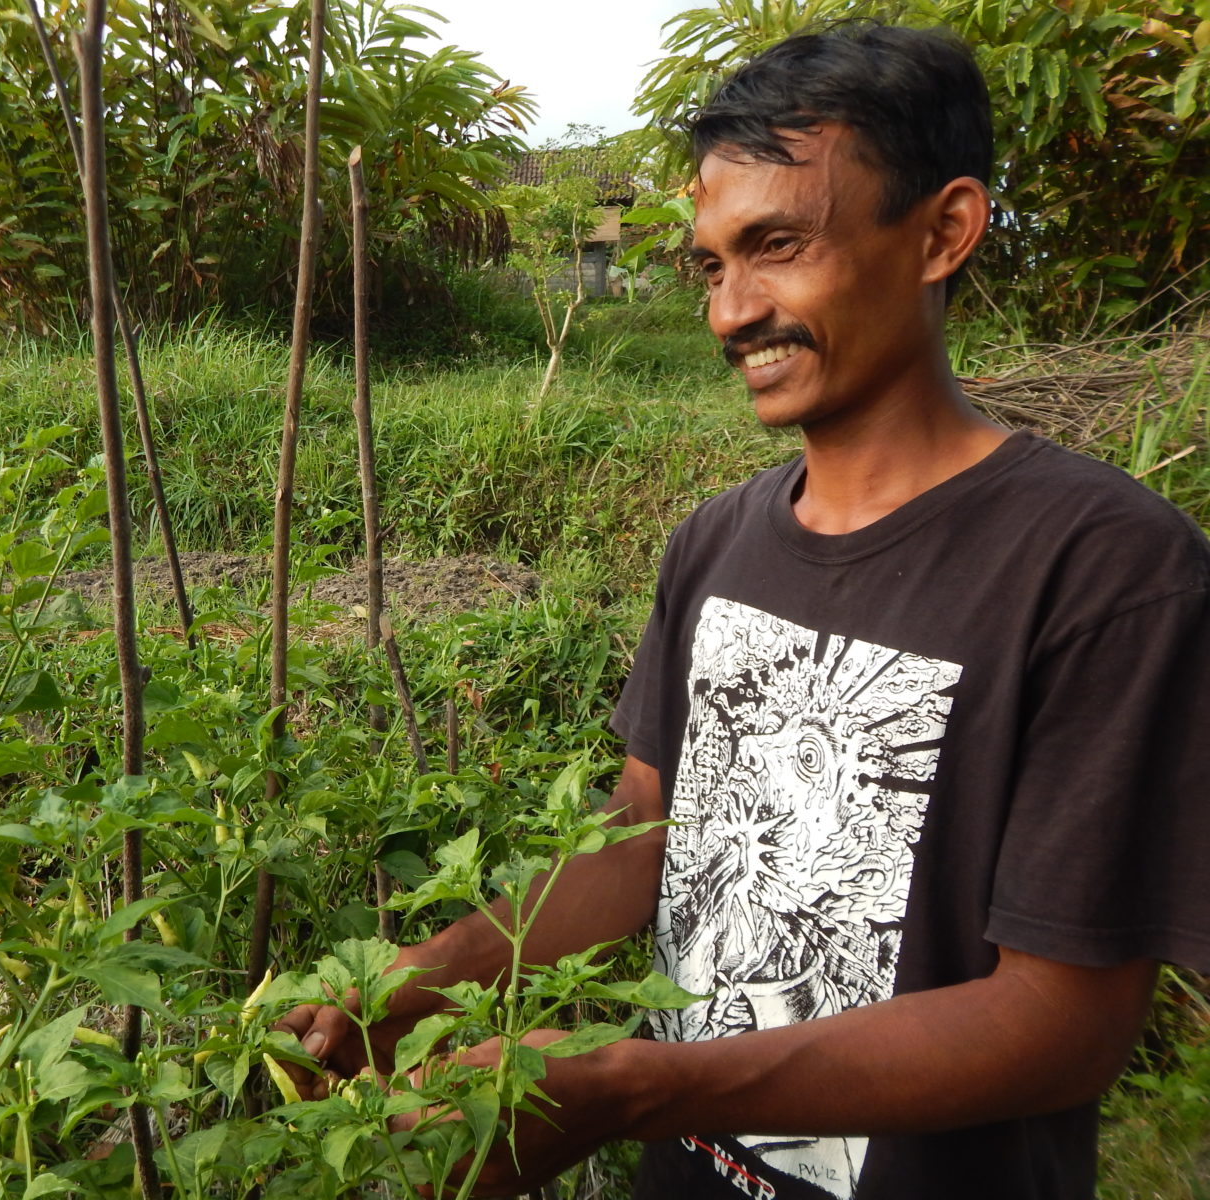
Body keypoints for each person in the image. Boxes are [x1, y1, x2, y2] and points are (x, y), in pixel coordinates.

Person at [278, 23, 1210, 1200]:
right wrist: (421, 975)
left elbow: (1062, 1021)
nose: (730, 313)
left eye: (777, 246)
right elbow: (642, 844)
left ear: (943, 231)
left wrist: (642, 1088)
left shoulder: (1104, 572)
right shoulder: (718, 541)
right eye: (713, 265)